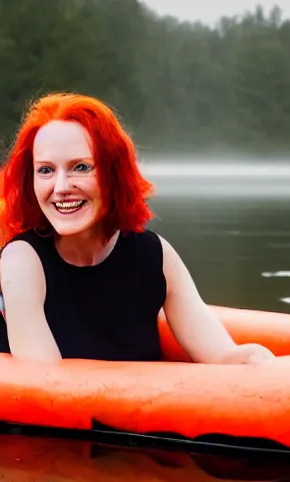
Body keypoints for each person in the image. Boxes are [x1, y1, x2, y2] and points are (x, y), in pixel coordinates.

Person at [0, 92, 274, 365]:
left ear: (113, 173)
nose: (60, 188)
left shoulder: (153, 254)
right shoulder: (21, 261)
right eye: (45, 170)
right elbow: (45, 385)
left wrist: (252, 360)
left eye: (81, 167)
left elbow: (222, 356)